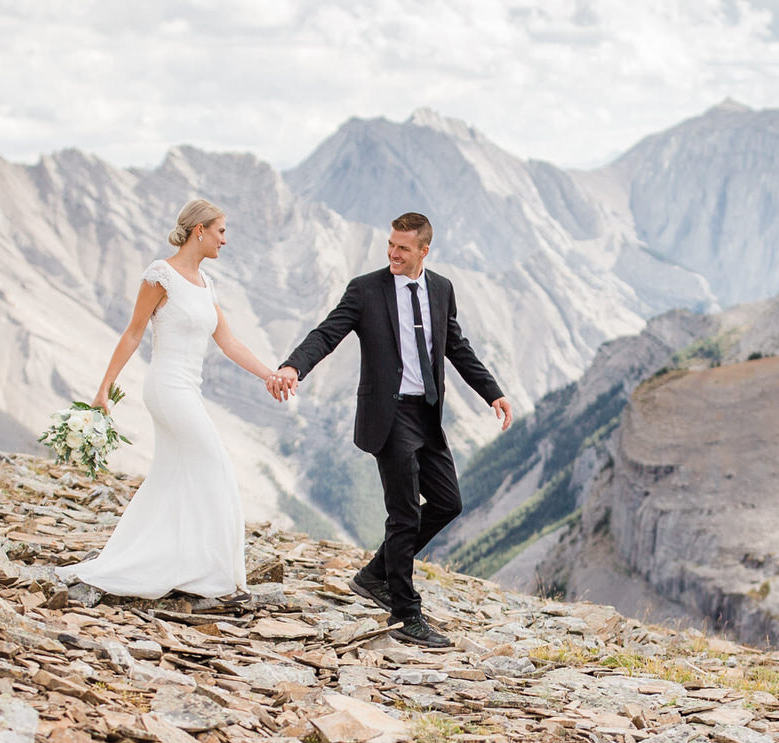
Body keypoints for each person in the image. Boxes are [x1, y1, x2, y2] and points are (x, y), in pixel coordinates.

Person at [273, 211, 512, 648]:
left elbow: (456, 346)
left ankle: (374, 573)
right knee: (403, 513)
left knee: (447, 502)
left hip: (427, 413)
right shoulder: (366, 289)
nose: (392, 254)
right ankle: (405, 613)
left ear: (424, 250)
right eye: (390, 245)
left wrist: (491, 392)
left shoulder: (441, 288)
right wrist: (294, 366)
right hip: (389, 414)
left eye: (403, 248)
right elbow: (327, 333)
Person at [58, 199, 281, 600]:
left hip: (188, 389)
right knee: (215, 467)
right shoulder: (161, 275)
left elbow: (227, 341)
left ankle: (169, 561)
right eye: (221, 231)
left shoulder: (205, 283)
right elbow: (133, 332)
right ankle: (213, 577)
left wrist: (269, 374)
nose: (225, 240)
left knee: (174, 477)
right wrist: (103, 388)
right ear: (200, 230)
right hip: (166, 387)